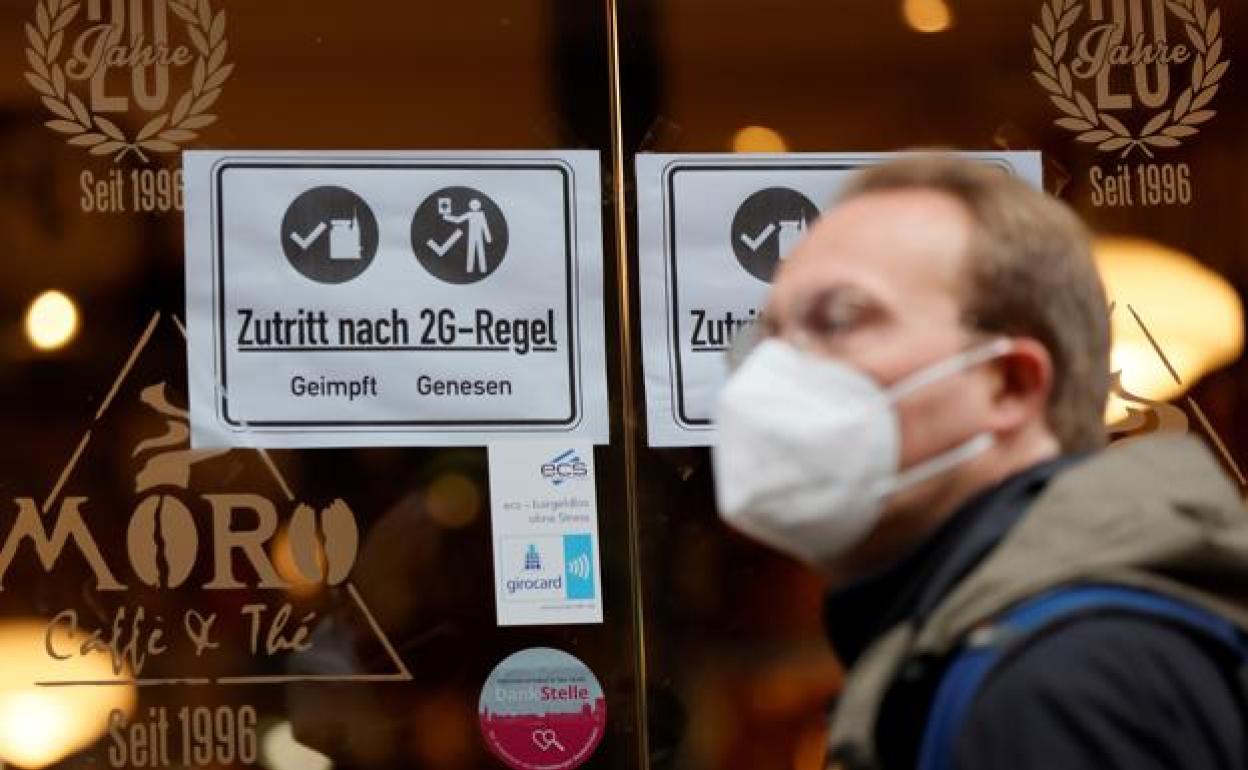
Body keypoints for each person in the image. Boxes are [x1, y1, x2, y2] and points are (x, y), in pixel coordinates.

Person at [712, 155, 1248, 770]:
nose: (776, 373)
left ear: (1009, 384)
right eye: (771, 336)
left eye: (838, 320)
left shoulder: (1061, 682)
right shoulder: (974, 641)